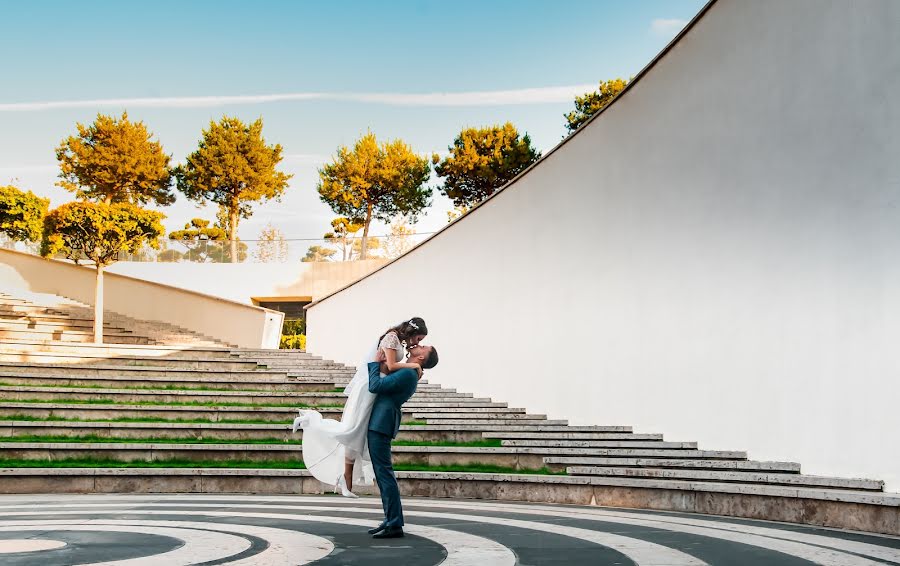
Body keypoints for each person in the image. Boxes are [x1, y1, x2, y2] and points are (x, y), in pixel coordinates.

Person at [291, 318, 430, 497]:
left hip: (377, 383)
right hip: (369, 387)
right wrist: (415, 365)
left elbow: (389, 367)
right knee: (351, 429)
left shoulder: (398, 341)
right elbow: (391, 366)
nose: (418, 343)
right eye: (419, 338)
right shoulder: (391, 338)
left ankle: (346, 480)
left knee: (356, 432)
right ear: (412, 331)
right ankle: (309, 421)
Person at [366, 345, 439, 539]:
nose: (418, 345)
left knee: (384, 473)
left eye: (423, 346)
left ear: (421, 356)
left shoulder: (408, 374)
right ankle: (392, 519)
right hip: (382, 421)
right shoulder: (409, 371)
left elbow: (375, 386)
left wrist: (374, 363)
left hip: (381, 422)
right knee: (383, 474)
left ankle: (394, 522)